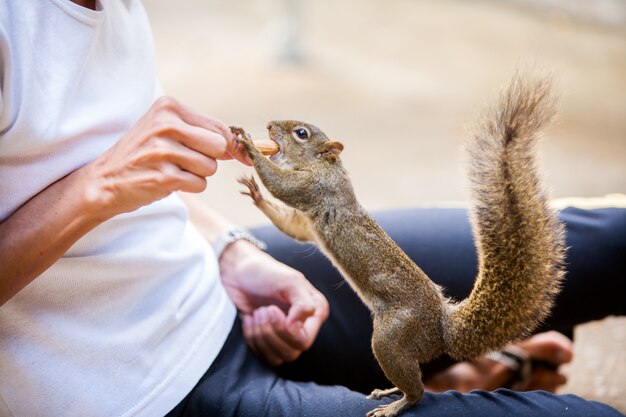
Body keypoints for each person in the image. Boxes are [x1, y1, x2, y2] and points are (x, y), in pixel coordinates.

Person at [0, 1, 623, 416]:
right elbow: (103, 175)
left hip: (214, 285)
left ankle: (453, 372)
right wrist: (95, 187)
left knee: (614, 237)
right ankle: (441, 381)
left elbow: (124, 166)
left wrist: (231, 249)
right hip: (151, 388)